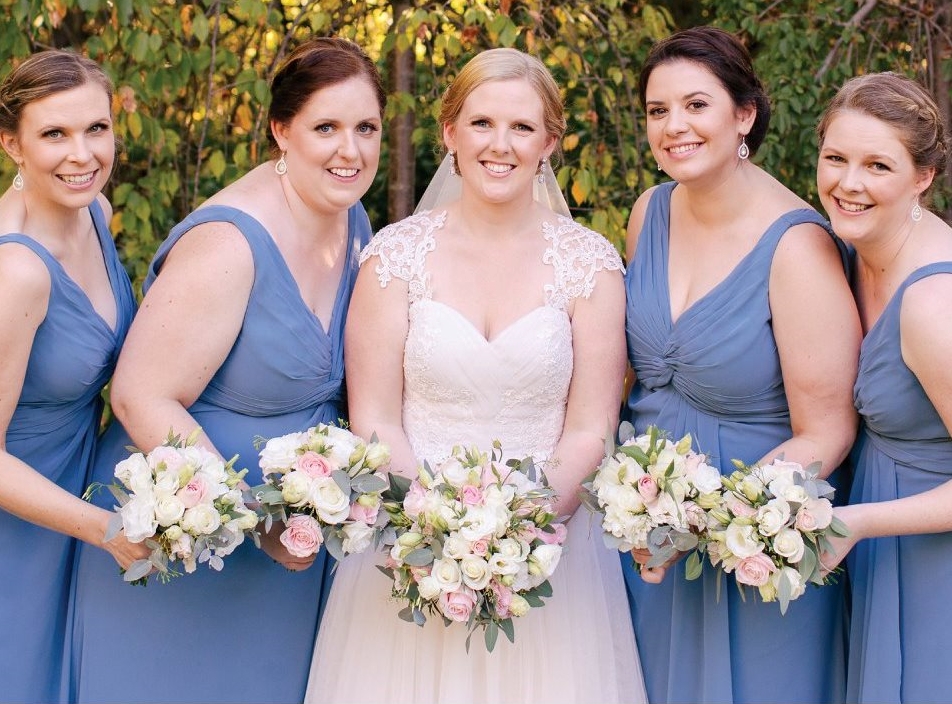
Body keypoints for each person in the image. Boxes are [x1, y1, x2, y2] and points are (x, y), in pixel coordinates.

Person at [304, 48, 646, 704]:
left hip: (551, 554)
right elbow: (375, 418)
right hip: (409, 545)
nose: (500, 144)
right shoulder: (394, 257)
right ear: (449, 132)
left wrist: (517, 535)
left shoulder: (591, 265)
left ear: (549, 143)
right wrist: (438, 530)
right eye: (482, 123)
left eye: (522, 127)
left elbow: (590, 428)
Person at [67, 37, 384, 704]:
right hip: (186, 546)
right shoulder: (228, 245)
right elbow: (140, 397)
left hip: (288, 560)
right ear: (281, 131)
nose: (350, 151)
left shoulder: (349, 218)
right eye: (326, 128)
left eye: (366, 128)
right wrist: (257, 522)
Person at [621, 26, 862, 703]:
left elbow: (828, 431)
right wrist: (642, 509)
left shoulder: (797, 247)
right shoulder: (650, 212)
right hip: (645, 536)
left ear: (744, 115)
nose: (674, 126)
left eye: (696, 105)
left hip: (755, 544)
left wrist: (704, 519)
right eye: (658, 110)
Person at [0, 49, 148, 704]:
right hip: (21, 524)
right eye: (54, 134)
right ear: (12, 144)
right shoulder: (16, 272)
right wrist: (105, 530)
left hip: (77, 493)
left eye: (96, 129)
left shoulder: (94, 212)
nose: (82, 155)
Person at [815, 72, 952, 704]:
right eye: (836, 159)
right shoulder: (850, 254)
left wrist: (859, 522)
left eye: (877, 165)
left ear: (923, 177)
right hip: (876, 542)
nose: (849, 183)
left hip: (932, 563)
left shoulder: (933, 303)